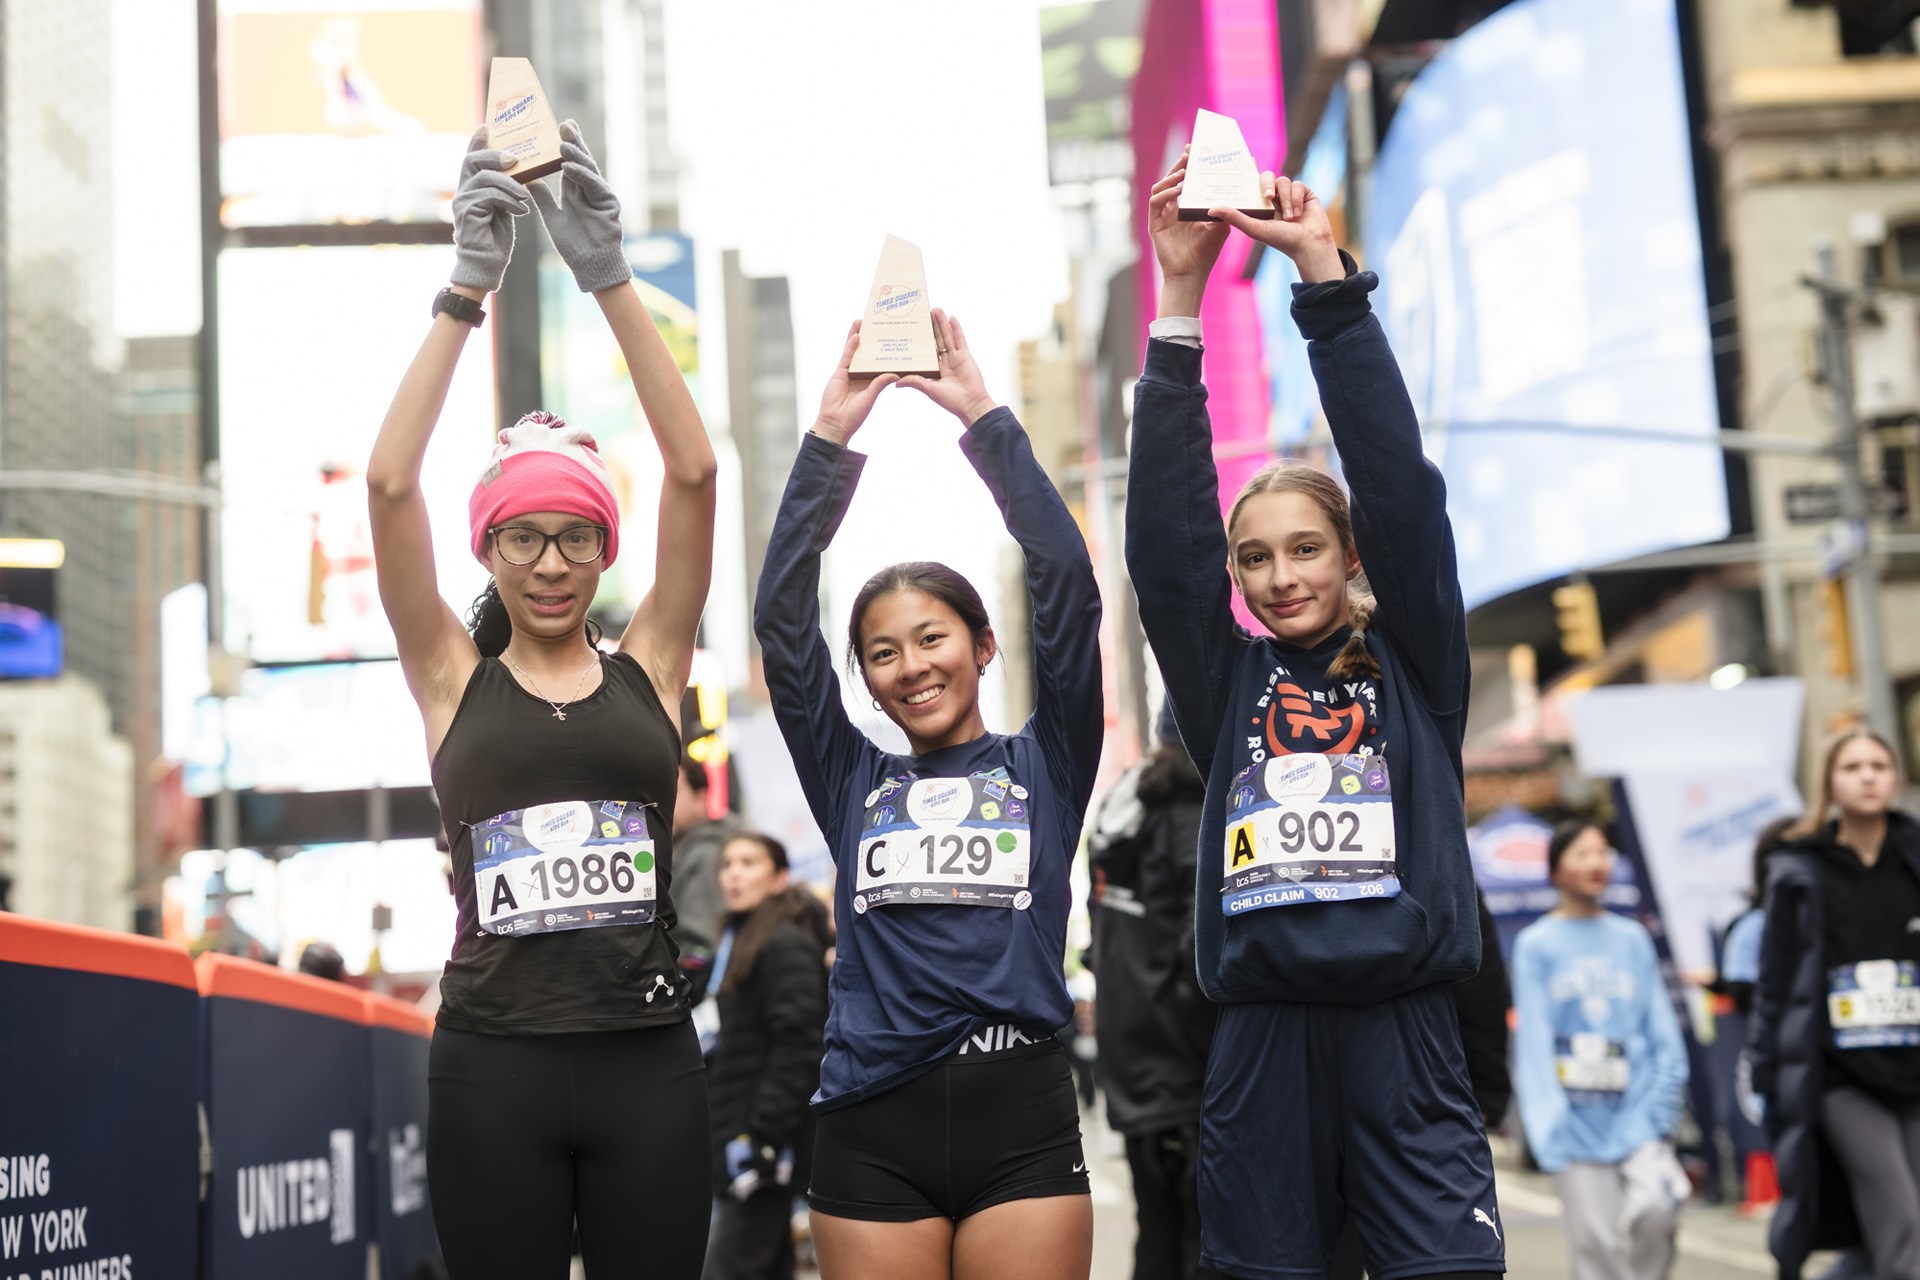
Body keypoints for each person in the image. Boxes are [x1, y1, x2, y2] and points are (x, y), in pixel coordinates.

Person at [1125, 151, 1503, 1279]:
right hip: (1262, 1047)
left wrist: (1325, 283)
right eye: (1255, 558)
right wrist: (1179, 304)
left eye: (1305, 549)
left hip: (1409, 1036)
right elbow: (1163, 550)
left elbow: (1399, 486)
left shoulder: (1416, 660)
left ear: (1350, 556)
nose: (1280, 575)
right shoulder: (1225, 681)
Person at [366, 120, 716, 1278]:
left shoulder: (652, 664)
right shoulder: (447, 674)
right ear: (492, 550)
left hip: (649, 1063)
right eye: (525, 538)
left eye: (577, 536)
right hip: (490, 1065)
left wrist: (607, 273)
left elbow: (697, 473)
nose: (554, 561)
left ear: (606, 551)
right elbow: (387, 482)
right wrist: (466, 287)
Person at [753, 310, 1102, 1280]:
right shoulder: (852, 778)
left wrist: (985, 418)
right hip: (871, 1128)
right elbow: (782, 625)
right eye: (882, 651)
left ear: (984, 646)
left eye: (934, 637)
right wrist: (829, 437)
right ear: (863, 678)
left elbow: (1068, 584)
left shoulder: (1049, 762)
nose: (913, 664)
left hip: (1021, 1117)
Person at [1749, 728, 1920, 1280]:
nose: (1868, 776)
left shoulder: (1914, 857)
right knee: (1899, 1216)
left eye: (1879, 764)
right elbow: (1775, 983)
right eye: (1852, 767)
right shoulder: (1801, 869)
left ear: (1896, 777)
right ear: (1828, 783)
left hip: (1915, 1068)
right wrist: (1767, 1071)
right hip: (1841, 1076)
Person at [1511, 820, 1691, 1280]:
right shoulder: (1536, 945)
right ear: (1555, 870)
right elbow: (1534, 1042)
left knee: (1657, 1209)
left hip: (1637, 1116)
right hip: (1573, 1123)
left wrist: (1660, 1112)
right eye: (1582, 854)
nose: (1596, 863)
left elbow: (1661, 1030)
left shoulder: (1632, 938)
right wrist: (1546, 1124)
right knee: (1595, 1244)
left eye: (1602, 853)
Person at [1087, 702, 1218, 1280]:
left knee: (1157, 1230)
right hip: (1189, 1063)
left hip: (1133, 1058)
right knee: (1205, 1236)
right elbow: (1201, 948)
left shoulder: (1122, 812)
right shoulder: (1193, 814)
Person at [703, 831, 833, 1280]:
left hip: (760, 1149)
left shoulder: (784, 944)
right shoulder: (738, 940)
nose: (733, 873)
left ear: (779, 878)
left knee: (727, 1267)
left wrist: (763, 1135)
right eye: (727, 864)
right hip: (737, 1136)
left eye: (748, 862)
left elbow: (800, 1047)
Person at [677, 754, 746, 958]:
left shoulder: (708, 852)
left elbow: (701, 945)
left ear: (701, 798)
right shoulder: (684, 847)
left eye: (675, 791)